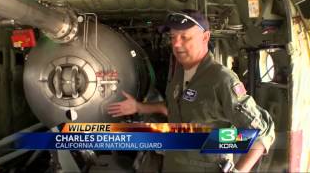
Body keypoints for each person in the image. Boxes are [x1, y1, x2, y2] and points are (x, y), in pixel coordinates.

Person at [108, 9, 275, 172]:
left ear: (205, 37)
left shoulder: (221, 80)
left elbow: (261, 133)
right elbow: (172, 107)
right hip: (173, 164)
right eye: (173, 37)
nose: (176, 44)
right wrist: (139, 107)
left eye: (184, 37)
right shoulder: (179, 73)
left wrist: (239, 171)